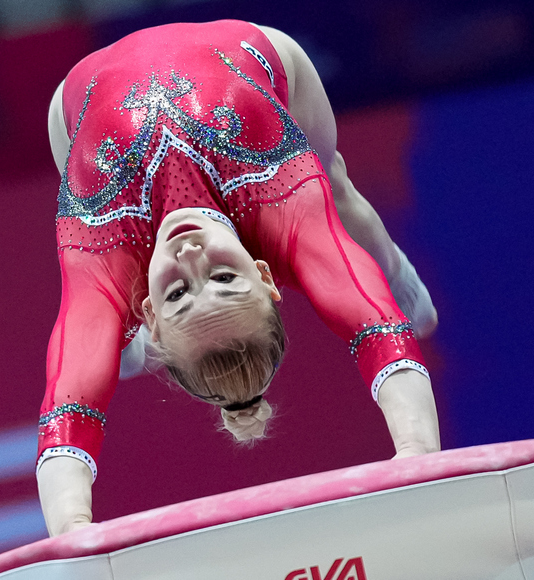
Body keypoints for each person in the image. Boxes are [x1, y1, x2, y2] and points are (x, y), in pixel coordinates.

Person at [36, 20, 440, 537]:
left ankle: (120, 331)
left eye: (178, 293)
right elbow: (379, 331)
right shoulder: (280, 203)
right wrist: (418, 455)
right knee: (330, 186)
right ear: (266, 272)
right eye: (226, 276)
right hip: (260, 51)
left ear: (153, 313)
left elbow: (67, 415)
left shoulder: (101, 240)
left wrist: (72, 534)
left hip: (72, 107)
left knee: (92, 321)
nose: (191, 255)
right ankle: (399, 276)